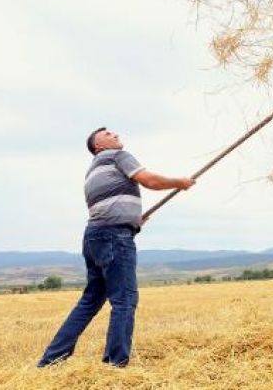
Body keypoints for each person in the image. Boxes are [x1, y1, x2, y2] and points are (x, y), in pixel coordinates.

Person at [37, 127, 195, 367]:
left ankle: (51, 360)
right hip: (114, 237)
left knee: (90, 301)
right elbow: (149, 180)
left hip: (94, 237)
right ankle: (115, 365)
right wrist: (179, 182)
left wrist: (133, 220)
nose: (114, 134)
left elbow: (107, 204)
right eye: (108, 134)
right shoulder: (117, 156)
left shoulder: (93, 170)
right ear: (98, 146)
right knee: (124, 301)